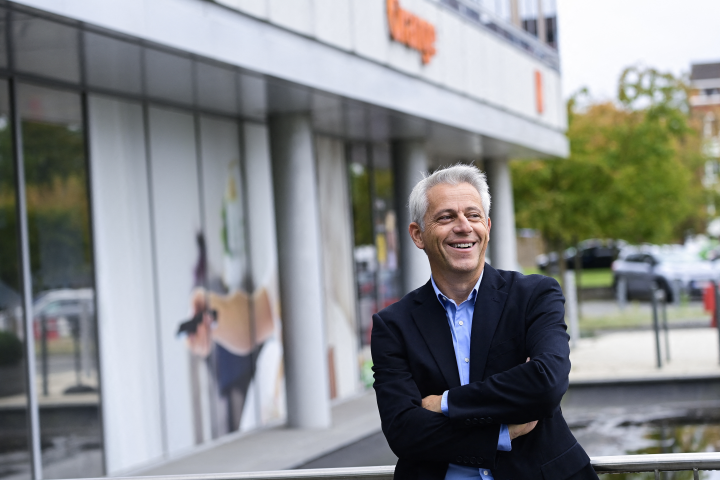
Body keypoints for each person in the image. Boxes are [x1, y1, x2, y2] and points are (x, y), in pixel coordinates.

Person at [371, 164, 598, 480]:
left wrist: (446, 403)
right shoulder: (393, 325)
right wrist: (501, 434)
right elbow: (404, 430)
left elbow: (545, 383)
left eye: (473, 215)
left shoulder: (534, 296)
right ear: (418, 235)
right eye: (446, 216)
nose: (463, 226)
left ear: (487, 227)